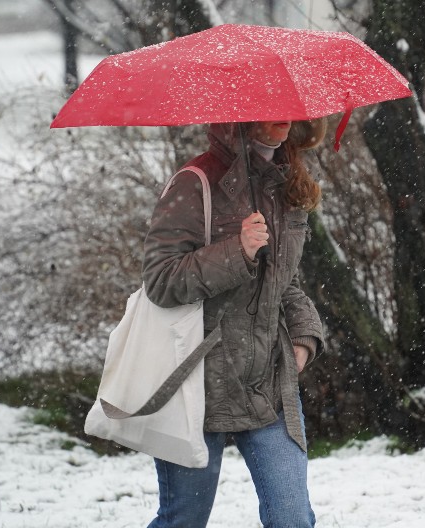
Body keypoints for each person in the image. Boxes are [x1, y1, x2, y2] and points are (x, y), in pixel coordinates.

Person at [141, 119, 327, 528]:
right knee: (183, 520)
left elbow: (286, 282)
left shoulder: (288, 183)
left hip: (268, 380)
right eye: (269, 101)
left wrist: (303, 337)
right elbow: (160, 280)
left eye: (287, 102)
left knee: (292, 519)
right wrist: (236, 252)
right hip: (196, 381)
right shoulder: (194, 184)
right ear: (240, 111)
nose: (283, 114)